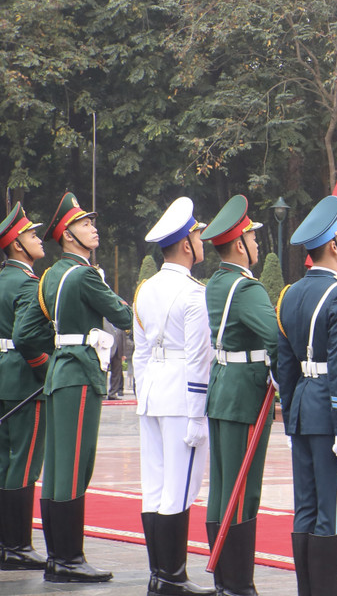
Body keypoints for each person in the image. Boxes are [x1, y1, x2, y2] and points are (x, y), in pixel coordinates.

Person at [15, 192, 132, 583]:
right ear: (67, 234)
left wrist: (56, 352)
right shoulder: (84, 275)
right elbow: (121, 314)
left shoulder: (50, 277)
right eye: (85, 224)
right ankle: (68, 559)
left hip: (59, 373)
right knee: (74, 467)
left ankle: (57, 559)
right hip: (80, 374)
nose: (93, 228)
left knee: (60, 466)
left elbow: (26, 333)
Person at [276, 196, 337, 596]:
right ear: (333, 245)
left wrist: (294, 410)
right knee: (333, 511)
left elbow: (285, 366)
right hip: (333, 415)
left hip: (303, 409)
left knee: (306, 509)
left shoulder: (291, 293)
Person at [132, 197, 215, 596]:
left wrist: (143, 394)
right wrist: (198, 415)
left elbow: (141, 352)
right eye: (198, 235)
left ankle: (157, 574)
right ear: (186, 244)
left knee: (155, 487)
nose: (201, 242)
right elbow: (200, 359)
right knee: (179, 490)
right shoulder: (194, 293)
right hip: (182, 397)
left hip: (152, 394)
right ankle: (173, 578)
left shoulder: (145, 288)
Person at [199, 195, 277, 596]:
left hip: (222, 388)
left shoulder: (217, 282)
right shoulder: (246, 288)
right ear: (238, 244)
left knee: (223, 486)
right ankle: (238, 584)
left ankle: (224, 578)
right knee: (244, 489)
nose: (258, 245)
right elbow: (277, 338)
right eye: (252, 237)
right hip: (245, 393)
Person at [0, 203, 49, 571]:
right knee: (24, 461)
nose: (38, 240)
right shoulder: (29, 283)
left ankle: (5, 543)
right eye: (33, 235)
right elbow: (27, 338)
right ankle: (18, 545)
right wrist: (46, 371)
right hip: (22, 378)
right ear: (17, 245)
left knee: (3, 460)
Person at [105, 320, 126, 400]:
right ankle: (103, 393)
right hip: (106, 351)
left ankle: (113, 393)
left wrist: (123, 353)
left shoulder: (119, 322)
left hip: (118, 351)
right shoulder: (104, 321)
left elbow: (123, 338)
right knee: (104, 373)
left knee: (116, 373)